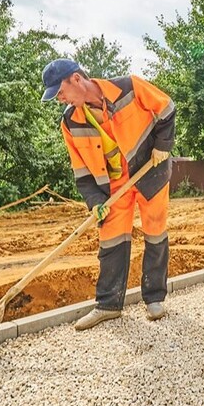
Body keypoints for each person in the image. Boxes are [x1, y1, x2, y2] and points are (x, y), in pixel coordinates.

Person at [41, 58, 176, 329]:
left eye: (61, 91)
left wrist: (163, 145)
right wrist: (94, 202)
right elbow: (81, 171)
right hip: (112, 186)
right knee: (111, 240)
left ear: (76, 79)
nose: (60, 98)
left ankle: (154, 298)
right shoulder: (70, 123)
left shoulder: (128, 88)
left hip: (150, 170)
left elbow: (166, 107)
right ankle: (108, 304)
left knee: (154, 231)